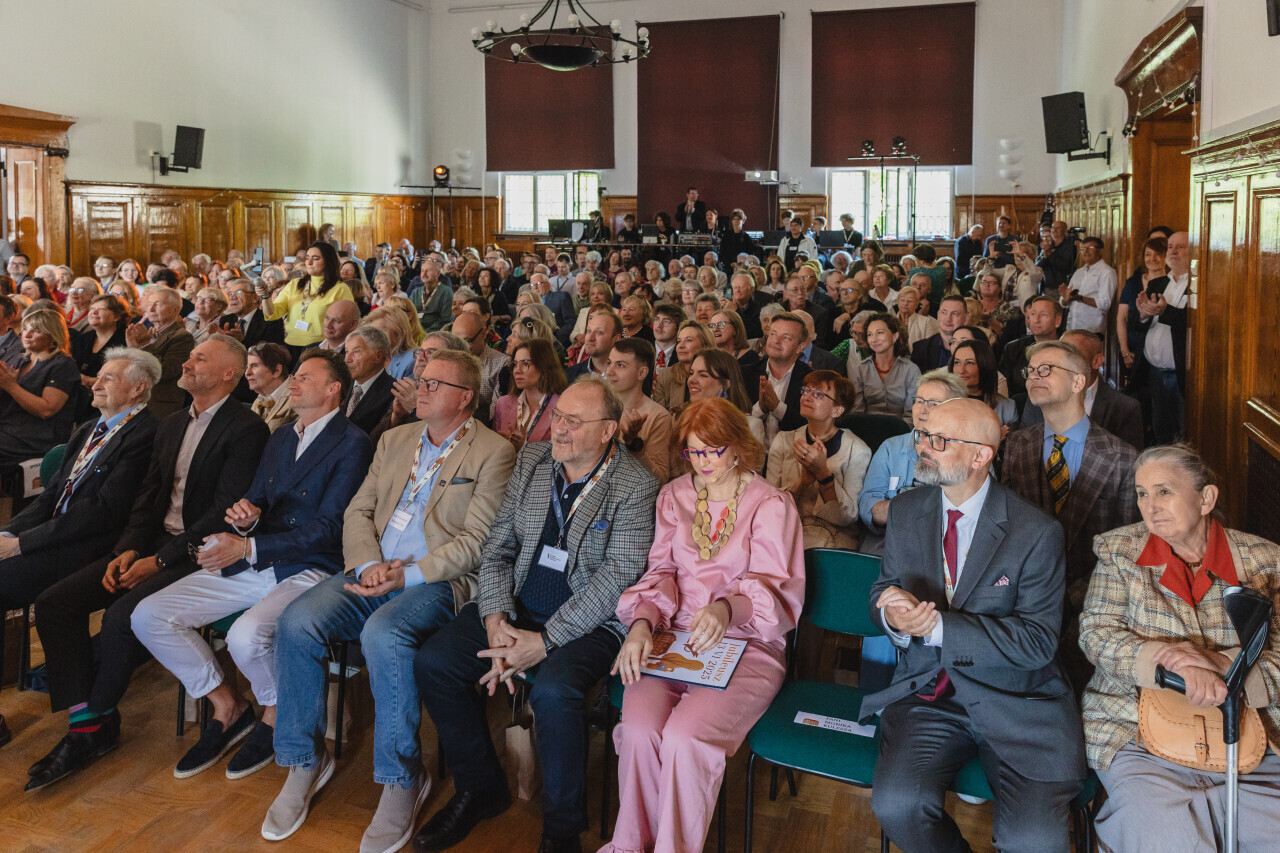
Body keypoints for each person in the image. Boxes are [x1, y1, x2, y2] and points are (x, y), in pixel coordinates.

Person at [412, 376, 659, 853]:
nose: (559, 428)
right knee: (435, 662)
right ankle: (480, 788)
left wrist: (543, 643)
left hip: (589, 623)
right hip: (518, 606)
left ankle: (562, 832)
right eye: (558, 415)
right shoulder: (532, 460)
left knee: (554, 691)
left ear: (608, 430)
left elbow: (616, 580)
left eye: (574, 421)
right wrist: (495, 618)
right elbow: (498, 546)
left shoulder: (636, 485)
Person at [26, 337, 269, 792]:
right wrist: (130, 548)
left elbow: (221, 513)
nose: (187, 362)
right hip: (154, 543)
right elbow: (149, 497)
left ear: (228, 374)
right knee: (57, 603)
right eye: (190, 355)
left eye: (199, 358)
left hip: (201, 552)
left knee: (122, 617)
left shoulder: (246, 428)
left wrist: (159, 560)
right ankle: (87, 715)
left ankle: (88, 728)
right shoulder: (173, 422)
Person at [131, 349, 371, 780]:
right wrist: (246, 517)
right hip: (259, 555)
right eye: (295, 375)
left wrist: (248, 547)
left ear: (333, 388)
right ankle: (229, 706)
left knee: (245, 637)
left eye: (305, 377)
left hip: (311, 565)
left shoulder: (353, 442)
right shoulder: (281, 436)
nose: (293, 382)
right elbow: (258, 497)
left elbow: (331, 529)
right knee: (148, 615)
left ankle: (275, 716)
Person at [860, 398, 1087, 852]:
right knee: (897, 805)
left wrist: (936, 628)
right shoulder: (906, 510)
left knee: (1032, 841)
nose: (923, 447)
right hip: (931, 695)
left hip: (1017, 701)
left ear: (982, 455)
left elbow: (1037, 642)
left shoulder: (1036, 532)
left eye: (940, 440)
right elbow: (884, 588)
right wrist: (893, 616)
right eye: (923, 435)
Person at [606, 397, 804, 853]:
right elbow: (661, 572)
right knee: (639, 731)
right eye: (693, 451)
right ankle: (630, 845)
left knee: (684, 736)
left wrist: (726, 608)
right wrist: (641, 624)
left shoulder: (771, 504)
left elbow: (776, 588)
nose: (702, 462)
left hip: (749, 643)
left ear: (738, 446)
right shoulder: (673, 496)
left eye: (712, 450)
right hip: (673, 636)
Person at [1080, 444, 1280, 852]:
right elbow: (1096, 634)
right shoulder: (1119, 551)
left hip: (1247, 732)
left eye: (1164, 491)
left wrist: (1220, 666)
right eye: (1142, 494)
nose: (1150, 506)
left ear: (1206, 499)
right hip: (1136, 732)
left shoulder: (1266, 561)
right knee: (1165, 837)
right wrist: (1167, 660)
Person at [0, 348, 161, 748]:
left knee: (46, 600)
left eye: (109, 378)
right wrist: (7, 533)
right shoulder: (91, 427)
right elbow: (51, 496)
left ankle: (88, 721)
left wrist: (21, 545)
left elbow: (103, 511)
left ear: (138, 389)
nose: (96, 383)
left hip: (98, 547)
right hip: (58, 537)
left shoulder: (146, 433)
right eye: (99, 376)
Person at [1001, 340, 1139, 688]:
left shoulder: (1123, 458)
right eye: (1030, 371)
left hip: (1091, 606)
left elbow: (1124, 550)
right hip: (1023, 604)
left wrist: (1069, 598)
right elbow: (1007, 527)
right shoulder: (1017, 445)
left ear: (1079, 382)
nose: (1034, 377)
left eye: (1046, 369)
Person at [857, 370, 967, 555]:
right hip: (887, 545)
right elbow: (868, 506)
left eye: (933, 403)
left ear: (954, 410)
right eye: (919, 401)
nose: (923, 409)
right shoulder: (890, 448)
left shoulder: (966, 452)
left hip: (943, 548)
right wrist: (914, 506)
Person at [767, 370, 871, 550]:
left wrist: (823, 474)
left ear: (837, 410)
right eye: (806, 391)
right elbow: (768, 507)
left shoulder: (857, 450)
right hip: (787, 536)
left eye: (818, 394)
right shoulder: (783, 441)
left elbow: (847, 517)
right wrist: (802, 483)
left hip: (834, 542)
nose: (807, 397)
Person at [1020, 329, 1144, 449]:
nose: (1061, 361)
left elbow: (1130, 460)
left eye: (1072, 355)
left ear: (1097, 361)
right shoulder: (1040, 396)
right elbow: (1024, 448)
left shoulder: (1125, 407)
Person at [0, 309, 82, 471]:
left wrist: (11, 386)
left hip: (34, 438)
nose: (27, 334)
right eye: (25, 329)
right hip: (7, 429)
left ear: (53, 336)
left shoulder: (62, 365)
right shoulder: (20, 359)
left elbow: (46, 410)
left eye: (36, 331)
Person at [1135, 230, 1189, 445]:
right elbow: (1137, 324)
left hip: (1181, 374)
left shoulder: (1199, 285)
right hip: (1155, 372)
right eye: (1170, 247)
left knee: (1184, 433)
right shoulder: (1157, 284)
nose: (1173, 251)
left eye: (1180, 247)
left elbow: (1191, 322)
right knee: (1161, 431)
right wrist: (1143, 314)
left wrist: (1165, 311)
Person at [260, 242, 354, 354]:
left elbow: (347, 322)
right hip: (291, 345)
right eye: (307, 258)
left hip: (321, 348)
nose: (309, 263)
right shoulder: (294, 284)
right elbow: (272, 314)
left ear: (328, 261)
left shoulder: (340, 289)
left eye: (316, 259)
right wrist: (265, 296)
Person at [606, 338, 673, 484]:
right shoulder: (596, 406)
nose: (609, 372)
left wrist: (635, 447)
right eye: (609, 363)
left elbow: (660, 479)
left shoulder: (658, 416)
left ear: (642, 373)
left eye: (620, 365)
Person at [125, 286, 197, 419]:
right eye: (149, 304)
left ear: (175, 309)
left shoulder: (182, 337)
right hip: (134, 400)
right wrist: (133, 347)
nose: (151, 309)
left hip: (158, 405)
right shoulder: (148, 333)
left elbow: (166, 371)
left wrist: (144, 345)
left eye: (157, 304)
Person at [751, 311, 812, 448]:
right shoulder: (746, 374)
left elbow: (811, 427)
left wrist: (777, 408)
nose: (776, 341)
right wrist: (760, 409)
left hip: (792, 457)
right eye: (773, 334)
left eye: (786, 338)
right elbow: (736, 423)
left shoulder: (811, 380)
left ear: (801, 347)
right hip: (752, 456)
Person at [493, 338, 566, 449]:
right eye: (515, 364)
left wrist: (525, 447)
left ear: (544, 366)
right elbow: (492, 449)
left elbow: (563, 453)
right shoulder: (502, 404)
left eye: (525, 363)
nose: (517, 370)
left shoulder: (562, 408)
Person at [849, 313, 920, 424]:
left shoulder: (911, 370)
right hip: (867, 429)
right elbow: (856, 412)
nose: (874, 339)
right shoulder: (859, 370)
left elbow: (911, 415)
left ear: (895, 336)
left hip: (902, 429)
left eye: (880, 333)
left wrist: (898, 433)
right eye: (869, 334)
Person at [949, 337, 1017, 428]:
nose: (961, 370)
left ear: (985, 366)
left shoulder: (1007, 407)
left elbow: (1013, 437)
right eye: (957, 363)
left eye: (970, 363)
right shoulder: (943, 400)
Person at [343, 326, 396, 435]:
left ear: (378, 356)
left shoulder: (393, 393)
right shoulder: (341, 384)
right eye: (347, 352)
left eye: (356, 352)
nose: (347, 359)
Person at [1059, 236, 1115, 335]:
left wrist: (1080, 298)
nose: (1085, 251)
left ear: (1100, 251)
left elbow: (1105, 303)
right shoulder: (1079, 272)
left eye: (1090, 248)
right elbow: (1063, 303)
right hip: (1072, 328)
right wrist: (1066, 298)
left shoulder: (1107, 272)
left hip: (1091, 331)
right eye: (1083, 248)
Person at [653, 322, 712, 413]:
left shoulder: (717, 373)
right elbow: (659, 416)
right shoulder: (666, 375)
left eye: (689, 340)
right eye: (679, 341)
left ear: (705, 344)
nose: (681, 346)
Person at [71, 294, 129, 385]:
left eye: (101, 309)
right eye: (92, 308)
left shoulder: (126, 339)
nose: (94, 312)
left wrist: (90, 380)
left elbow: (123, 377)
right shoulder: (85, 337)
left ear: (116, 317)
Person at [245, 343, 297, 433]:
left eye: (254, 366)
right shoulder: (260, 399)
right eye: (247, 367)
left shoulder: (298, 397)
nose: (247, 373)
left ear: (276, 371)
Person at [910, 294, 967, 373]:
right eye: (944, 312)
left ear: (965, 317)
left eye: (954, 313)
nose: (948, 318)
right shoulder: (920, 349)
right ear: (938, 315)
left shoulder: (976, 348)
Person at [650, 303, 683, 371]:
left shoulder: (683, 354)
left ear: (678, 327)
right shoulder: (642, 351)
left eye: (666, 321)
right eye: (657, 319)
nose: (659, 325)